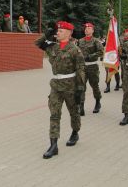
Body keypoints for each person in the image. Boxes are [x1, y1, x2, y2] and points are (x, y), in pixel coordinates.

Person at [35, 21, 85, 159]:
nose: (58, 32)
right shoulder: (52, 47)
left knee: (74, 112)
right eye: (57, 30)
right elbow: (37, 43)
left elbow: (81, 70)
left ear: (69, 33)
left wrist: (80, 90)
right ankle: (53, 145)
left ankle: (75, 132)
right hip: (56, 85)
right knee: (54, 114)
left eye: (61, 31)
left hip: (70, 86)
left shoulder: (75, 50)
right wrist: (47, 33)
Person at [78, 23, 104, 115]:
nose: (87, 29)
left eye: (89, 28)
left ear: (93, 30)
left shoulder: (96, 41)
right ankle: (81, 106)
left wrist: (91, 56)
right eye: (85, 28)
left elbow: (101, 52)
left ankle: (97, 102)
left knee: (94, 86)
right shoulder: (80, 41)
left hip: (92, 66)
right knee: (81, 87)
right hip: (82, 67)